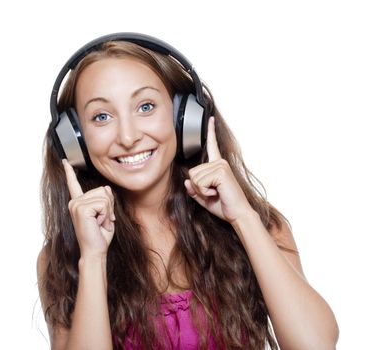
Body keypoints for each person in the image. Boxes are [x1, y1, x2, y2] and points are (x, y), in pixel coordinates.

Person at [37, 33, 339, 350]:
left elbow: (315, 344)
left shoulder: (260, 224)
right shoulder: (66, 257)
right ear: (75, 141)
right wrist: (94, 258)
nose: (128, 137)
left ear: (185, 117)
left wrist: (243, 219)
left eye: (146, 106)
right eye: (101, 116)